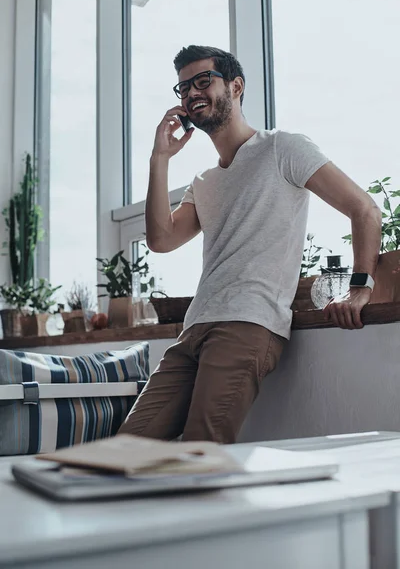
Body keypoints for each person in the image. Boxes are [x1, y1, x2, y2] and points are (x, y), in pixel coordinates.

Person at [118, 45, 382, 444]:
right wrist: (160, 158)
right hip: (193, 329)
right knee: (126, 449)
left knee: (199, 452)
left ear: (236, 86)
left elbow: (364, 209)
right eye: (184, 87)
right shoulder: (204, 182)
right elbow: (160, 239)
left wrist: (362, 289)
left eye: (203, 81)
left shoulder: (283, 148)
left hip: (248, 324)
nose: (191, 93)